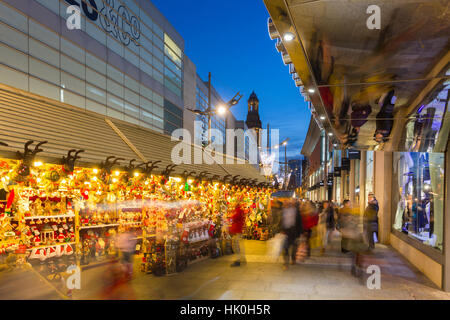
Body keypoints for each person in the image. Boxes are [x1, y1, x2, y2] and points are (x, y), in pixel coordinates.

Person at [280, 199, 303, 269]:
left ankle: (293, 259)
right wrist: (280, 230)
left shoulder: (296, 211)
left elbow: (299, 222)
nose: (286, 205)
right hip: (285, 232)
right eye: (284, 204)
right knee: (285, 248)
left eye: (287, 203)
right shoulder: (282, 211)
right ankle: (285, 263)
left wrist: (300, 233)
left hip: (294, 232)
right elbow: (280, 222)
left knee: (294, 246)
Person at [229, 197, 246, 267]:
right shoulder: (239, 210)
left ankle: (238, 260)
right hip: (238, 230)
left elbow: (234, 218)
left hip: (237, 231)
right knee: (239, 245)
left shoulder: (238, 210)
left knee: (236, 245)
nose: (233, 204)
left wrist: (230, 218)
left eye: (234, 202)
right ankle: (242, 259)